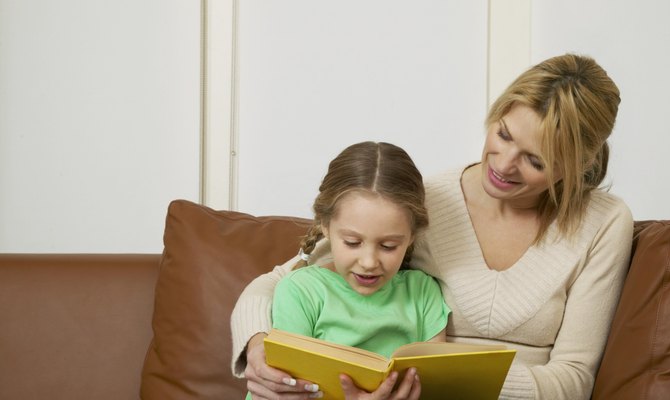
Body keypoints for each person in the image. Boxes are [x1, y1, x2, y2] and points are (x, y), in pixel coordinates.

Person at [231, 53, 634, 400]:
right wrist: (257, 343)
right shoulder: (429, 199)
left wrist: (455, 381)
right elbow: (282, 280)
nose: (503, 164)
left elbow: (575, 378)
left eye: (536, 161)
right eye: (503, 134)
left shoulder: (603, 223)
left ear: (576, 166)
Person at [237, 141, 450, 400]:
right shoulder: (301, 290)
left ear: (412, 236)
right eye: (352, 243)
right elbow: (286, 390)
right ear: (325, 226)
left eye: (388, 245)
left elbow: (437, 387)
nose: (369, 261)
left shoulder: (423, 292)